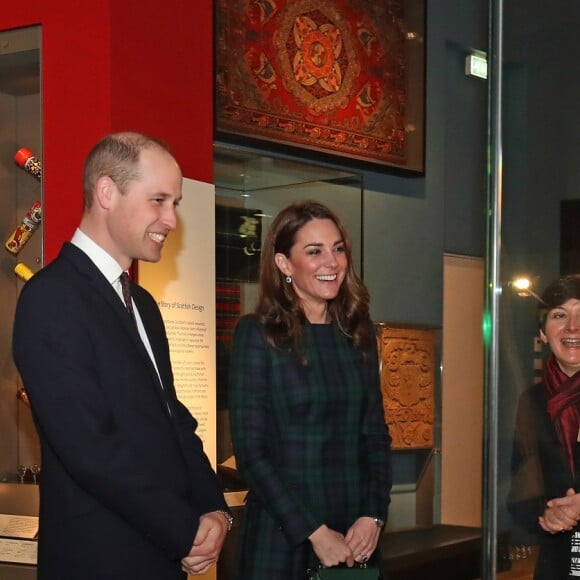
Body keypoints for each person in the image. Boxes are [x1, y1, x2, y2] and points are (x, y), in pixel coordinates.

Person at [12, 132, 231, 580]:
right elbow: (91, 448)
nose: (171, 219)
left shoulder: (143, 305)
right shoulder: (50, 298)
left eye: (176, 203)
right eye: (158, 201)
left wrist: (213, 507)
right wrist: (183, 530)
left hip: (160, 557)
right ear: (107, 191)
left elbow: (174, 420)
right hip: (100, 561)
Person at [228, 200, 393, 579]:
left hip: (355, 536)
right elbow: (251, 453)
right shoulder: (257, 335)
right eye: (314, 251)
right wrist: (314, 531)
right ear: (285, 264)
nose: (331, 263)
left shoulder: (358, 334)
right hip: (284, 532)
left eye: (338, 249)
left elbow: (376, 436)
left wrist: (373, 515)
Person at [508, 274, 580, 579]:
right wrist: (545, 513)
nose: (572, 327)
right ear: (542, 331)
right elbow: (519, 483)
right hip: (558, 559)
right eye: (559, 315)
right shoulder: (533, 401)